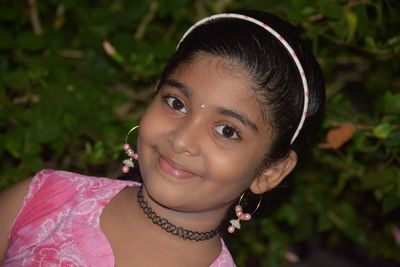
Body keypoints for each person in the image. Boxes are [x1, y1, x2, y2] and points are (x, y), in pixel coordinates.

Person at [0, 10, 325, 267]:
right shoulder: (41, 199)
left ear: (270, 171)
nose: (182, 140)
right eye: (176, 103)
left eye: (227, 130)